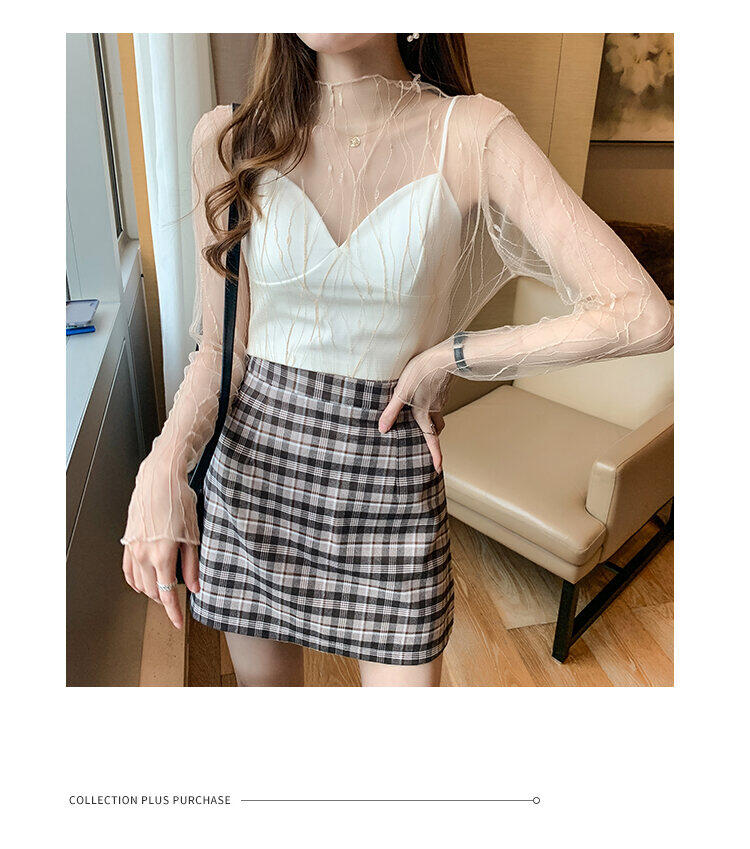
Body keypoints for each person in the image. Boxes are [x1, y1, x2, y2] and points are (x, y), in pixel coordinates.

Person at [120, 33, 674, 687]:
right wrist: (164, 465)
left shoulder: (471, 133)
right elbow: (220, 350)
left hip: (389, 482)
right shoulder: (228, 137)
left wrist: (452, 356)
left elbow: (643, 314)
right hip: (254, 477)